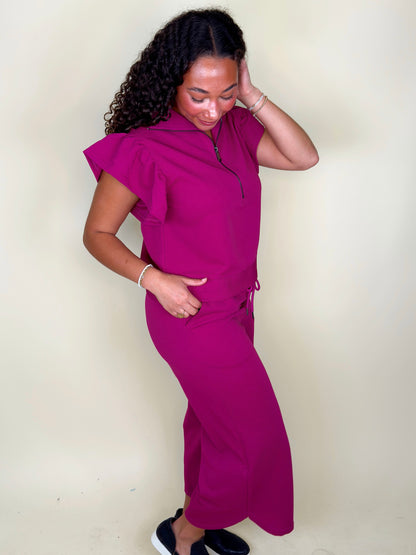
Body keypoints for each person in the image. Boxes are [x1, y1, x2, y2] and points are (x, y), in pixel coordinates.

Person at [83, 8, 318, 555]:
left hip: (237, 306)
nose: (213, 109)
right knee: (253, 436)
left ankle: (197, 515)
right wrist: (154, 280)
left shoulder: (236, 126)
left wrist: (250, 96)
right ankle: (183, 533)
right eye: (199, 95)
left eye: (226, 93)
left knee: (213, 425)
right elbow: (97, 234)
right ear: (173, 81)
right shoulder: (141, 147)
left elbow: (303, 156)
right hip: (187, 314)